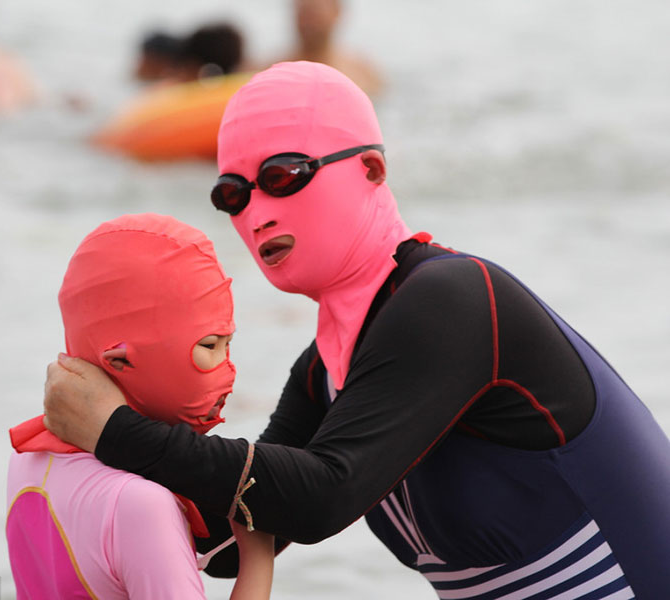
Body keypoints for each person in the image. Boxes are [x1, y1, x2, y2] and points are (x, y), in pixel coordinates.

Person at [41, 62, 670, 599]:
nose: (258, 212)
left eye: (283, 176)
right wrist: (76, 457)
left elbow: (320, 498)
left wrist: (117, 432)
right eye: (233, 194)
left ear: (371, 168)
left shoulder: (453, 301)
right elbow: (235, 535)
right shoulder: (327, 366)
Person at [6, 214, 274, 599]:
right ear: (119, 360)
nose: (228, 368)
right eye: (209, 345)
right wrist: (258, 554)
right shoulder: (142, 504)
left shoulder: (29, 459)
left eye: (229, 344)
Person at [279, 0, 383, 96]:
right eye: (302, 13)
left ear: (336, 12)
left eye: (314, 14)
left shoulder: (363, 74)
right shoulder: (275, 71)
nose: (307, 23)